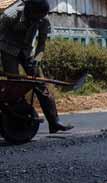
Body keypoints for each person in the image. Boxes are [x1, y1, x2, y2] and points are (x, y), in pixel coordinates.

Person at [0, 0, 73, 134]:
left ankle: (54, 122)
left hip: (27, 51)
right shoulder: (9, 15)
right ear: (28, 10)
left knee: (40, 84)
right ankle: (15, 118)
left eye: (40, 17)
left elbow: (42, 43)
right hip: (8, 49)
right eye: (35, 17)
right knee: (14, 84)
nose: (38, 20)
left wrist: (37, 59)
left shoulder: (43, 18)